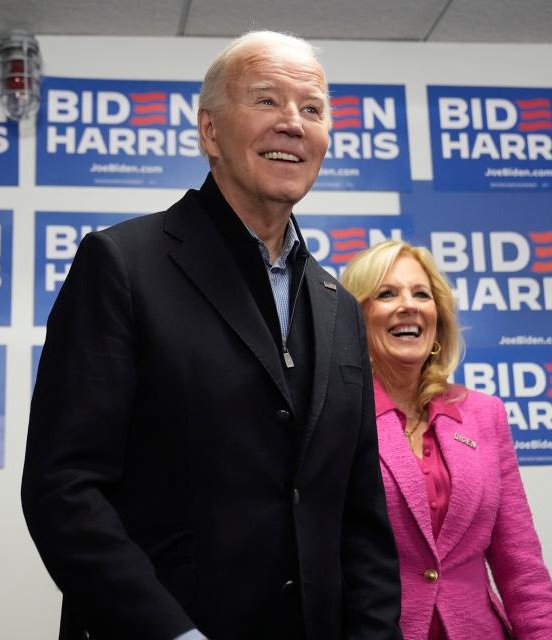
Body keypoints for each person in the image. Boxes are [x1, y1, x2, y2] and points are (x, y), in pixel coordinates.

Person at [22, 31, 402, 640]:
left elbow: (360, 520)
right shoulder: (121, 264)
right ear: (209, 131)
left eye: (312, 109)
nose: (292, 124)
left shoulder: (340, 308)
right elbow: (63, 490)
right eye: (266, 101)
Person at [340, 239, 552, 640]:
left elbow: (521, 566)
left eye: (421, 294)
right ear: (355, 316)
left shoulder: (484, 414)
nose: (408, 305)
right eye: (387, 293)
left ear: (438, 316)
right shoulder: (334, 416)